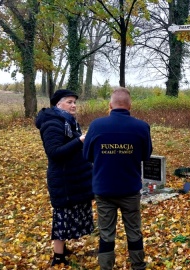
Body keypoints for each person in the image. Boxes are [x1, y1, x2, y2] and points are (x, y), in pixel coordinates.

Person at [83, 87, 153, 270]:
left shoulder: (97, 125)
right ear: (130, 106)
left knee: (106, 233)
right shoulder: (141, 127)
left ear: (110, 105)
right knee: (134, 230)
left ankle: (106, 267)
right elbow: (145, 156)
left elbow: (87, 155)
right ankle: (138, 265)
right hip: (130, 189)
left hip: (104, 189)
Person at [35, 89, 95, 267]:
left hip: (74, 176)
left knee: (71, 215)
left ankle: (63, 249)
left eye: (74, 102)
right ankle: (58, 257)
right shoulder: (52, 123)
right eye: (69, 102)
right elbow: (54, 153)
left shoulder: (68, 121)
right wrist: (80, 141)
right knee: (62, 216)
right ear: (58, 104)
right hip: (63, 179)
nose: (73, 105)